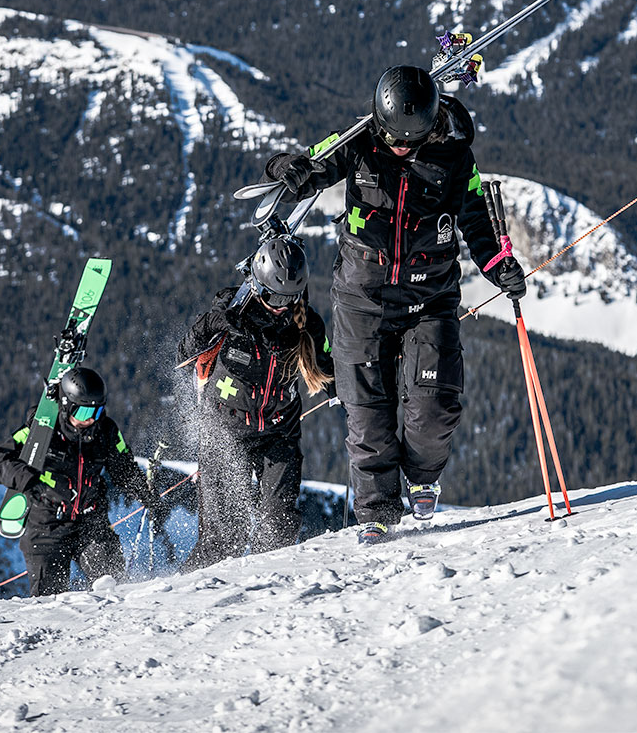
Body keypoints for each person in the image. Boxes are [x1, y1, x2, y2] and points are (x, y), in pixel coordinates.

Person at [262, 65, 527, 544]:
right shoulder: (360, 140)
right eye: (393, 139)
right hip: (362, 298)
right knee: (367, 412)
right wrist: (287, 168)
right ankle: (378, 512)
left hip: (430, 298)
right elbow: (310, 166)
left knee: (436, 404)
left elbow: (477, 224)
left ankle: (423, 478)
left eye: (411, 140)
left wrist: (499, 266)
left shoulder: (453, 157)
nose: (400, 147)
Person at [176, 235, 335, 569]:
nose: (280, 304)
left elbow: (330, 370)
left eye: (289, 297)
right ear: (258, 284)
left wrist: (351, 392)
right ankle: (189, 599)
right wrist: (209, 325)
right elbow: (184, 354)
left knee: (279, 530)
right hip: (225, 430)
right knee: (223, 540)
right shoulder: (231, 309)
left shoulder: (308, 325)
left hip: (279, 432)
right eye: (273, 295)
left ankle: (265, 599)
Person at [0, 367, 172, 594]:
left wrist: (147, 496)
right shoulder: (42, 430)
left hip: (91, 522)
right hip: (46, 526)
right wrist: (24, 477)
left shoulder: (107, 431)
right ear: (67, 406)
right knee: (49, 601)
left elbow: (125, 470)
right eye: (83, 413)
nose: (91, 420)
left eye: (97, 411)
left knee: (113, 587)